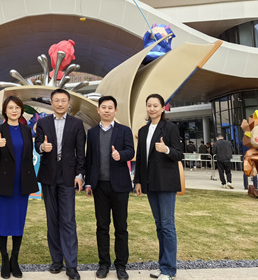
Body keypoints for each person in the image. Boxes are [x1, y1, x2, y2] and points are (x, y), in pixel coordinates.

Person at [35, 88, 86, 280]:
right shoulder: (43, 123)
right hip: (48, 176)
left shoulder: (77, 124)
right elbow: (37, 144)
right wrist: (42, 147)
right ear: (51, 102)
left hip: (68, 177)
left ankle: (71, 265)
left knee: (68, 220)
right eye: (56, 100)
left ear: (69, 103)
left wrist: (79, 175)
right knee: (52, 220)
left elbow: (80, 152)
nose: (60, 104)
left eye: (63, 100)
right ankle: (56, 260)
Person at [84, 96, 134, 280]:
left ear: (115, 110)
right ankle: (104, 264)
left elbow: (131, 151)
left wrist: (120, 155)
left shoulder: (124, 130)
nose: (106, 110)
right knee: (102, 226)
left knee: (121, 227)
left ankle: (121, 265)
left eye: (110, 107)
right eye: (103, 107)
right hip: (99, 186)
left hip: (119, 186)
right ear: (98, 110)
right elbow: (89, 159)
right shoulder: (92, 133)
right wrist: (88, 182)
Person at [134, 94, 182, 280]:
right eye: (149, 105)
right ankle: (163, 266)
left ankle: (169, 270)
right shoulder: (143, 131)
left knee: (167, 225)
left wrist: (166, 149)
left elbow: (179, 154)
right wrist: (138, 181)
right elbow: (140, 159)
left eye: (156, 105)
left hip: (166, 183)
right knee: (159, 225)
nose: (152, 108)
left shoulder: (170, 128)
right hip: (150, 183)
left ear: (163, 108)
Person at [0, 96, 39, 279]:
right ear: (5, 110)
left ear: (21, 110)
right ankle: (4, 260)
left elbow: (28, 156)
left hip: (22, 183)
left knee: (19, 222)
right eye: (10, 107)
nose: (14, 110)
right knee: (3, 222)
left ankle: (14, 260)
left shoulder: (26, 130)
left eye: (17, 107)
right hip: (5, 183)